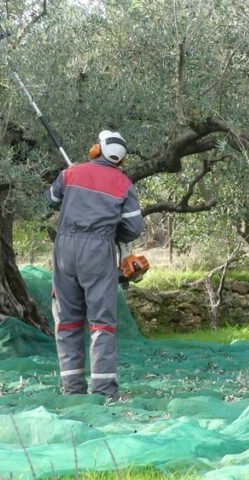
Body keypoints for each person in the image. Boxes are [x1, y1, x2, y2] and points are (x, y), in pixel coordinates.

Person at [45, 129, 144, 400]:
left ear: (96, 150)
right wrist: (113, 233)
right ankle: (103, 391)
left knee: (66, 320)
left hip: (65, 249)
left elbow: (51, 200)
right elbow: (134, 227)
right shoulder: (124, 184)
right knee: (101, 322)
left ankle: (72, 389)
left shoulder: (71, 174)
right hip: (99, 251)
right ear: (120, 160)